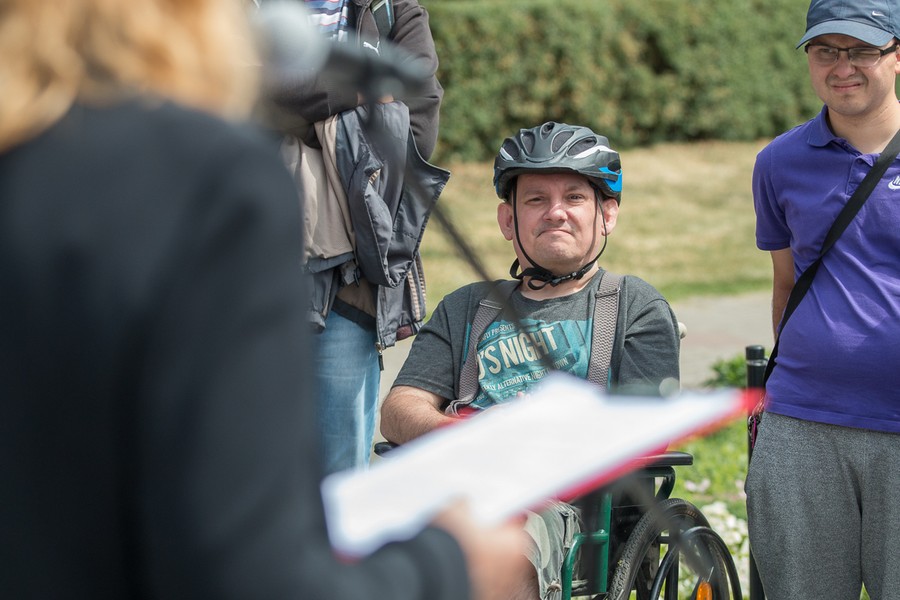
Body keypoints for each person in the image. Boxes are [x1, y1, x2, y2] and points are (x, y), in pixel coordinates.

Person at [0, 1, 528, 598]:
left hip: (348, 281)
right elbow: (251, 573)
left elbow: (412, 112)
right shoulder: (205, 180)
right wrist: (448, 563)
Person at [380, 121, 682, 599]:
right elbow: (399, 410)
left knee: (497, 543)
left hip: (568, 505)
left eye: (574, 198)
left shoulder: (635, 306)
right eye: (536, 199)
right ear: (507, 220)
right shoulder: (466, 307)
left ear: (608, 215)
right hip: (452, 485)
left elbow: (647, 428)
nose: (555, 213)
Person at [747, 1, 900, 598]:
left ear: (897, 54)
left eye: (862, 50)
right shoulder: (778, 163)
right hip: (804, 423)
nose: (843, 66)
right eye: (825, 51)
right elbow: (786, 284)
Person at [266, 0, 446, 475]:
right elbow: (217, 92)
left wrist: (286, 99)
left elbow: (416, 128)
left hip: (348, 286)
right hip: (236, 279)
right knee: (234, 475)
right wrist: (356, 94)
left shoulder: (392, 11)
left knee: (340, 487)